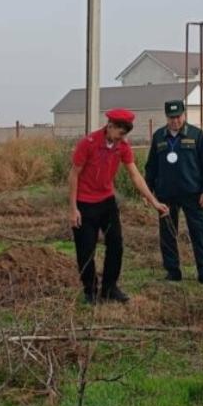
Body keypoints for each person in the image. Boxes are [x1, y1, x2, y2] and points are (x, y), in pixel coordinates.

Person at [69, 108, 169, 304]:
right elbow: (73, 175)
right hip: (85, 203)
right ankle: (90, 290)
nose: (120, 139)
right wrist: (73, 209)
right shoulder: (88, 144)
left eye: (124, 136)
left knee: (116, 244)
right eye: (119, 134)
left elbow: (135, 175)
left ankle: (109, 288)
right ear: (110, 126)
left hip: (107, 201)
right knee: (86, 249)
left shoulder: (122, 146)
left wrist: (154, 201)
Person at [144, 100, 203, 287]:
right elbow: (151, 167)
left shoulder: (196, 135)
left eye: (178, 117)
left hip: (192, 193)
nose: (175, 121)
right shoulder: (159, 137)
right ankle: (172, 271)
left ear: (184, 115)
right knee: (168, 234)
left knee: (199, 233)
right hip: (165, 195)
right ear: (166, 117)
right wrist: (148, 193)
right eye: (171, 117)